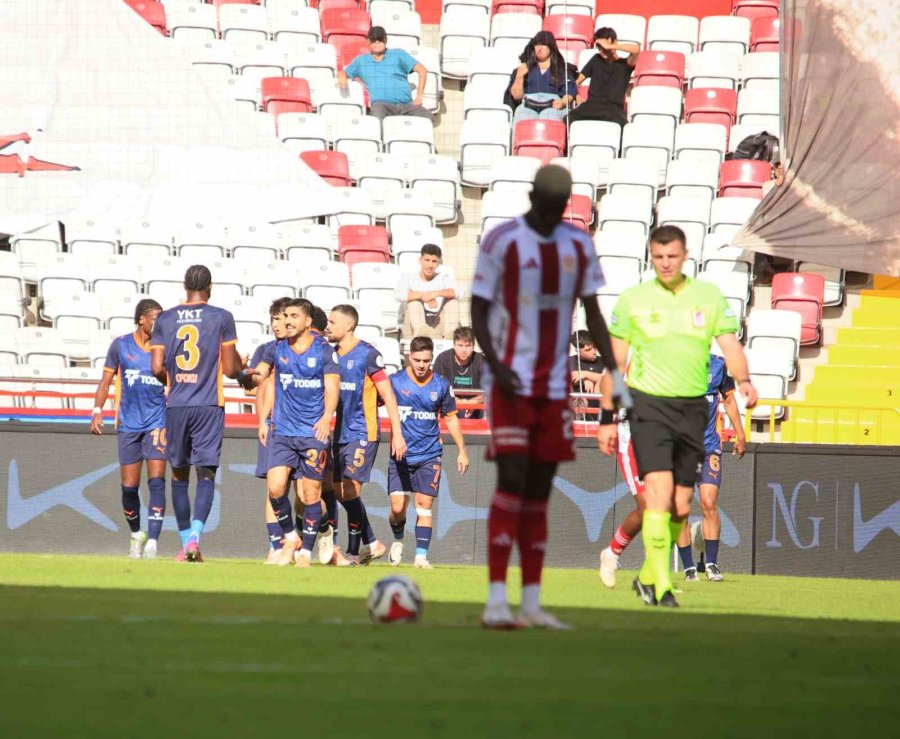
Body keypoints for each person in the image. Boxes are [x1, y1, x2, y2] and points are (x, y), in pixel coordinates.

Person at [471, 164, 628, 629]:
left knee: (539, 492)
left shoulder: (577, 244)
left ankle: (532, 603)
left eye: (559, 207)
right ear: (532, 198)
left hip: (555, 387)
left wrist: (614, 368)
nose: (551, 213)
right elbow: (478, 310)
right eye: (546, 205)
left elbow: (593, 314)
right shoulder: (501, 240)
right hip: (510, 384)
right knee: (512, 482)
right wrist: (497, 364)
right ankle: (496, 600)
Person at [597, 225, 758, 608]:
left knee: (679, 507)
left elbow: (731, 346)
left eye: (672, 256)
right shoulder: (634, 301)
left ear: (686, 257)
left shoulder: (707, 298)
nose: (666, 263)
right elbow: (614, 365)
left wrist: (744, 380)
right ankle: (653, 582)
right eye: (658, 257)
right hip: (645, 418)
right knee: (653, 503)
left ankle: (645, 575)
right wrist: (605, 419)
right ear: (651, 258)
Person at [150, 266, 250, 562]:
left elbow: (156, 367)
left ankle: (184, 546)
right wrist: (243, 373)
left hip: (177, 405)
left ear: (185, 286)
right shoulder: (221, 317)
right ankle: (194, 538)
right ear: (210, 286)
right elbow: (230, 369)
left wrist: (175, 380)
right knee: (206, 473)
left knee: (179, 475)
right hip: (208, 405)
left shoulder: (165, 318)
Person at [256, 299, 339, 567]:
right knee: (275, 488)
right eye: (286, 316)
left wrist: (326, 417)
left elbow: (332, 387)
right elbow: (263, 379)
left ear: (307, 321)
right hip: (282, 430)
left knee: (310, 495)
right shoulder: (275, 348)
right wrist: (244, 374)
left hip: (312, 432)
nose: (288, 321)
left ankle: (307, 551)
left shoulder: (323, 350)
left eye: (294, 316)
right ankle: (291, 538)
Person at [327, 304, 408, 565]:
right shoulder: (331, 355)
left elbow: (388, 396)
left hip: (364, 430)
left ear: (348, 325)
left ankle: (352, 554)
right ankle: (372, 543)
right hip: (340, 433)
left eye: (333, 322)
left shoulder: (368, 354)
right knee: (340, 492)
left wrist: (397, 433)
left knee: (350, 492)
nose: (328, 326)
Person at [90, 298, 166, 559]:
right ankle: (136, 534)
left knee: (157, 481)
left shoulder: (165, 348)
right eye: (155, 319)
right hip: (129, 424)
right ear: (141, 319)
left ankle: (153, 542)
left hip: (158, 422)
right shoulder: (121, 345)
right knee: (129, 486)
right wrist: (97, 410)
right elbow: (106, 381)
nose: (159, 324)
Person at [387, 336, 469, 569]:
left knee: (424, 505)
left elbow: (451, 418)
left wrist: (462, 450)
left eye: (426, 360)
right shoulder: (395, 381)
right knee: (397, 509)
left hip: (430, 454)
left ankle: (421, 557)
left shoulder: (441, 385)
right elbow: (374, 402)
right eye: (417, 360)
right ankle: (398, 538)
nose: (422, 365)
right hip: (401, 455)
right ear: (409, 357)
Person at [676, 352, 747, 581]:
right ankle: (688, 567)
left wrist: (740, 434)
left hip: (709, 448)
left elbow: (729, 400)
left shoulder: (718, 365)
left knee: (709, 503)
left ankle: (712, 564)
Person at [247, 296, 291, 564]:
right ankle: (275, 544)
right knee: (274, 489)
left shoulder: (306, 350)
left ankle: (302, 542)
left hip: (301, 427)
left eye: (281, 319)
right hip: (273, 426)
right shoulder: (266, 350)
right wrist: (244, 373)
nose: (276, 324)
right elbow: (252, 385)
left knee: (306, 491)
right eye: (273, 319)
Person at [338, 25, 431, 122]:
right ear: (368, 42)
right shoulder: (361, 61)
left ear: (385, 40)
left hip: (407, 105)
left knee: (427, 117)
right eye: (373, 40)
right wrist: (342, 78)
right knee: (376, 119)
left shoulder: (398, 54)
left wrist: (419, 96)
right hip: (382, 106)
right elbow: (343, 73)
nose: (377, 43)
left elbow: (422, 70)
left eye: (380, 39)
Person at [566, 28, 639, 127]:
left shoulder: (625, 64)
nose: (602, 50)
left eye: (603, 47)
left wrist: (610, 46)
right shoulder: (596, 59)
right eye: (599, 47)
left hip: (613, 108)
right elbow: (577, 81)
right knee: (568, 118)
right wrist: (577, 96)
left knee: (621, 122)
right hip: (592, 106)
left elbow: (636, 50)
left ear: (614, 42)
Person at [506, 31, 577, 124]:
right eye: (537, 45)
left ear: (551, 47)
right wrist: (519, 77)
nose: (539, 48)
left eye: (543, 45)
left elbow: (570, 92)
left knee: (548, 115)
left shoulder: (561, 69)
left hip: (553, 105)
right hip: (528, 105)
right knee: (522, 115)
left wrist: (563, 102)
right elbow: (517, 97)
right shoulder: (524, 68)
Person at [394, 243, 459, 339]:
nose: (430, 265)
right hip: (413, 328)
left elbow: (458, 293)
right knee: (414, 302)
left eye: (434, 261)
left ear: (438, 263)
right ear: (420, 260)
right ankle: (421, 338)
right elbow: (398, 295)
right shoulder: (408, 277)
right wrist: (422, 296)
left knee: (452, 302)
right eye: (427, 260)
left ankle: (449, 338)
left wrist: (435, 294)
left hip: (437, 324)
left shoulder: (443, 277)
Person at [433, 326, 485, 419]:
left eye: (467, 346)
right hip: (448, 409)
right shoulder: (443, 359)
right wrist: (463, 403)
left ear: (473, 346)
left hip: (475, 409)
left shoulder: (481, 361)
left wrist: (473, 403)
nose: (464, 350)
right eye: (460, 345)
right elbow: (437, 388)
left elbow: (488, 391)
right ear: (454, 345)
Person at [569, 329, 605, 415]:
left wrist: (585, 374)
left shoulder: (603, 362)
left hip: (597, 408)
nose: (594, 352)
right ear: (578, 350)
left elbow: (607, 378)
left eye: (594, 347)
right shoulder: (570, 361)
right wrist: (584, 381)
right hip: (575, 407)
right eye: (588, 350)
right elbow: (571, 376)